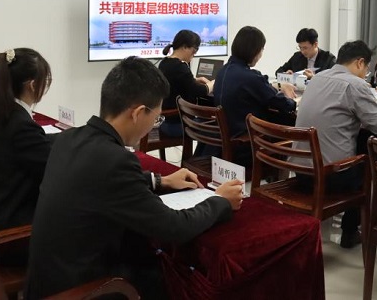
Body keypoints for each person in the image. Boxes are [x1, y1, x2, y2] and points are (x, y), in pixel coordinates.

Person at [25, 57, 243, 300]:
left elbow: (98, 184)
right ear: (139, 113)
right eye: (156, 118)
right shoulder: (115, 160)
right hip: (85, 290)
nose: (154, 125)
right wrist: (220, 201)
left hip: (46, 282)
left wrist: (161, 181)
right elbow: (174, 227)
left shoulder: (68, 139)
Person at [292, 40, 377, 248]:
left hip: (300, 171)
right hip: (329, 177)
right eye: (366, 68)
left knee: (359, 141)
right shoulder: (355, 85)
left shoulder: (318, 78)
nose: (365, 73)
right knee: (368, 158)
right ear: (360, 63)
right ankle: (350, 230)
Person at [0, 48, 53, 234]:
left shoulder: (0, 112)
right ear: (33, 85)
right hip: (14, 226)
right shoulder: (21, 125)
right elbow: (54, 170)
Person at [214, 26, 297, 168]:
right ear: (254, 50)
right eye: (262, 49)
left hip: (225, 143)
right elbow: (285, 105)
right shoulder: (250, 77)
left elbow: (260, 88)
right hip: (248, 147)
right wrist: (293, 100)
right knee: (290, 122)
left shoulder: (223, 71)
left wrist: (277, 86)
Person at [158, 30, 213, 137]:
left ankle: (200, 149)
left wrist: (195, 80)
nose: (194, 54)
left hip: (167, 121)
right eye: (194, 50)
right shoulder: (179, 66)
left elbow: (179, 82)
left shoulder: (165, 63)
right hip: (177, 123)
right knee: (217, 127)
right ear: (184, 47)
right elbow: (199, 91)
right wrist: (214, 83)